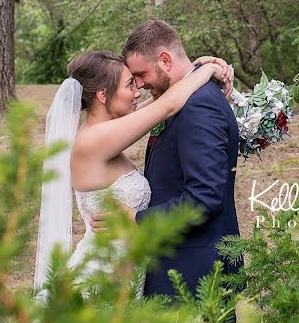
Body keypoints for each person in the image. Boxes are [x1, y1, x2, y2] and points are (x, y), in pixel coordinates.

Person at [33, 49, 233, 301]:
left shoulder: (104, 129)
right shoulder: (94, 140)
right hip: (101, 277)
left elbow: (157, 104)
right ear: (103, 94)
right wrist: (207, 71)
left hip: (124, 274)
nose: (139, 90)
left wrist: (193, 67)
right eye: (130, 84)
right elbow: (167, 106)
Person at [92, 20, 242, 300]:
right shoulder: (179, 98)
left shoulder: (200, 106)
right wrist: (203, 66)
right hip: (177, 268)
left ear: (164, 60)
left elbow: (204, 198)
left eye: (140, 74)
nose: (138, 85)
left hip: (195, 276)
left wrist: (135, 219)